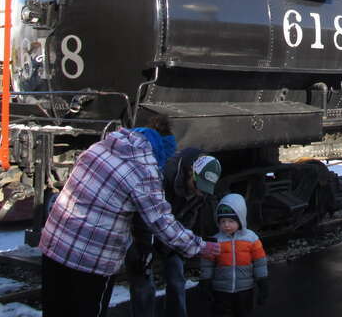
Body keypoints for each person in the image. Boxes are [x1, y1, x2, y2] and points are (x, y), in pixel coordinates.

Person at [40, 117, 220, 317]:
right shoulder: (144, 168)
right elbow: (161, 221)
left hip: (54, 245)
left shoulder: (102, 146)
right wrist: (200, 246)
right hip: (90, 259)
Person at [127, 150, 222, 317]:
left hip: (173, 232)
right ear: (190, 172)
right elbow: (145, 217)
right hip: (145, 231)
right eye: (198, 186)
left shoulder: (201, 189)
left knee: (177, 279)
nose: (200, 192)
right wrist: (145, 249)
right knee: (143, 284)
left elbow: (191, 215)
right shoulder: (161, 178)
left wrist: (181, 244)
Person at [201, 193, 270, 316]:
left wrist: (262, 282)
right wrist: (205, 282)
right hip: (221, 290)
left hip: (245, 290)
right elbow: (207, 264)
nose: (226, 225)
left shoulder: (251, 239)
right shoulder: (214, 241)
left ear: (241, 219)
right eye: (222, 221)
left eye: (231, 221)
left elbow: (260, 262)